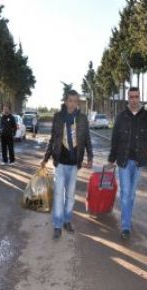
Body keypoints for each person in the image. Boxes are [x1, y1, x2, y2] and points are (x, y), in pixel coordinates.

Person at [108, 87, 147, 240]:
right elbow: (115, 138)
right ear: (128, 99)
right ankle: (125, 227)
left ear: (139, 98)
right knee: (125, 194)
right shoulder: (121, 116)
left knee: (131, 195)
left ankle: (127, 219)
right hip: (123, 161)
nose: (134, 100)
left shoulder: (146, 117)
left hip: (138, 161)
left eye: (136, 97)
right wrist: (111, 158)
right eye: (131, 97)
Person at [41, 90, 93, 239]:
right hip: (60, 163)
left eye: (75, 101)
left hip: (74, 163)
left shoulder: (82, 119)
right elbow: (52, 139)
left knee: (70, 196)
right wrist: (46, 158)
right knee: (58, 195)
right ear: (65, 101)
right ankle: (57, 224)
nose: (72, 104)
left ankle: (67, 220)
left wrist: (90, 157)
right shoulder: (58, 117)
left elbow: (87, 139)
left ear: (78, 103)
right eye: (70, 100)